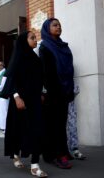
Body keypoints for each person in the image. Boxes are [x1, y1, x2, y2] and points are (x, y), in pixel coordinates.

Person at [2, 31, 48, 177]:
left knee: (37, 130)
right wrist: (16, 97)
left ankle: (34, 164)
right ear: (23, 40)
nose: (35, 40)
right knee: (18, 130)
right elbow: (11, 79)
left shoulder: (36, 59)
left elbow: (40, 79)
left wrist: (41, 93)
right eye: (32, 38)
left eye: (36, 37)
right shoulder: (18, 57)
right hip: (20, 101)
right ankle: (15, 153)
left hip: (34, 101)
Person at [39, 18, 74, 169]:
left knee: (61, 123)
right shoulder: (45, 47)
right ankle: (57, 155)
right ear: (47, 28)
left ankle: (61, 151)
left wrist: (69, 89)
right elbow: (45, 73)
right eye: (54, 25)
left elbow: (69, 69)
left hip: (65, 90)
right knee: (54, 125)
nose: (58, 27)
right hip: (52, 92)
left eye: (59, 25)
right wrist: (46, 92)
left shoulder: (63, 46)